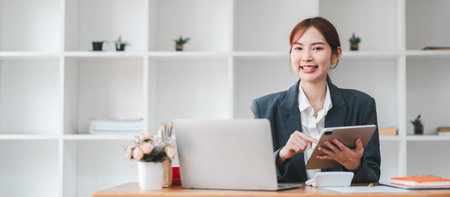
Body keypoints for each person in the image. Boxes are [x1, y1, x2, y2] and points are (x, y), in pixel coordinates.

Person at [251, 17, 380, 183]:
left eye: (317, 48)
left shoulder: (362, 105)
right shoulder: (264, 108)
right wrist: (282, 154)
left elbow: (373, 176)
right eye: (298, 48)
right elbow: (255, 174)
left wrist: (354, 163)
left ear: (336, 55)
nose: (306, 57)